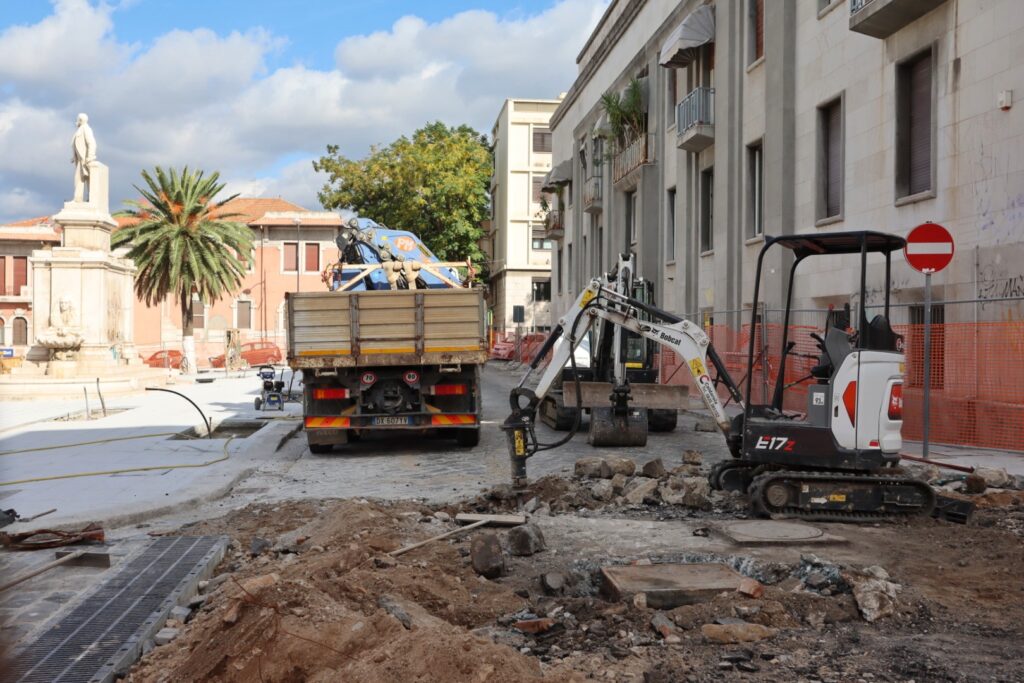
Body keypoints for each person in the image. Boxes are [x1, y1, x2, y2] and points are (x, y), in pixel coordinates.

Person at [71, 113, 97, 202]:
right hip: (80, 160)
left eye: (77, 119)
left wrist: (90, 157)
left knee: (79, 179)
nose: (76, 121)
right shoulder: (80, 129)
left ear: (80, 120)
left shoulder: (86, 129)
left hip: (84, 160)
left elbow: (91, 143)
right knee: (81, 179)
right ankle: (79, 199)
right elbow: (78, 146)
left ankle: (78, 199)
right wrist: (74, 157)